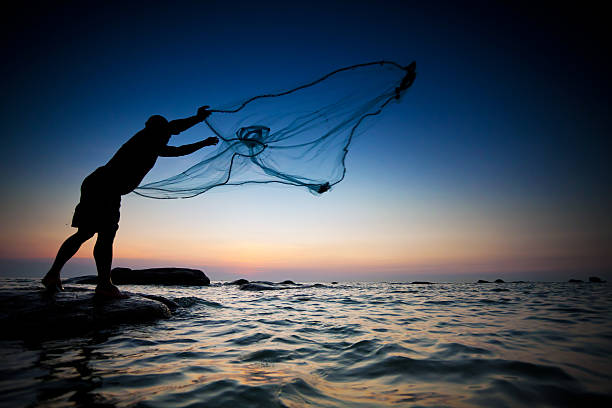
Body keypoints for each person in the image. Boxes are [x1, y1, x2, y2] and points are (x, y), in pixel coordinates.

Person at [41, 106, 218, 298]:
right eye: (166, 130)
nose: (170, 134)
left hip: (100, 184)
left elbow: (175, 133)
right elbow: (177, 145)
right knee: (103, 235)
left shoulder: (152, 138)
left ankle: (57, 275)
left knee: (87, 233)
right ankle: (103, 284)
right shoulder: (149, 138)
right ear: (155, 128)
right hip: (105, 186)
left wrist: (198, 122)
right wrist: (201, 131)